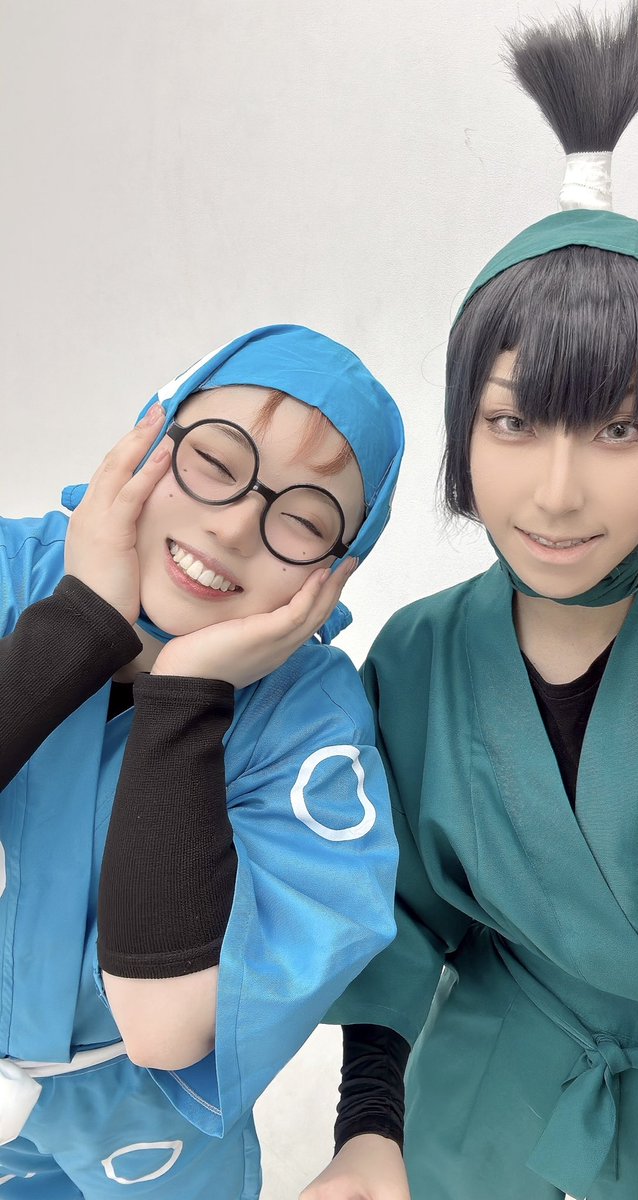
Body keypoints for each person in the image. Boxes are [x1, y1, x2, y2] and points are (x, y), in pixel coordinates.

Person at [305, 5, 638, 1199]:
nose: (557, 492)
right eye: (513, 421)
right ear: (462, 426)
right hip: (499, 1073)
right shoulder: (419, 654)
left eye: (617, 428)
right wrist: (366, 1127)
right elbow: (394, 920)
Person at [0, 323, 404, 1197]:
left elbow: (164, 1028)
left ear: (337, 571)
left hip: (146, 1138)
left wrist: (187, 693)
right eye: (215, 463)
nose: (232, 528)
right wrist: (78, 623)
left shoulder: (312, 732)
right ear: (148, 434)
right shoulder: (8, 574)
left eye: (303, 520)